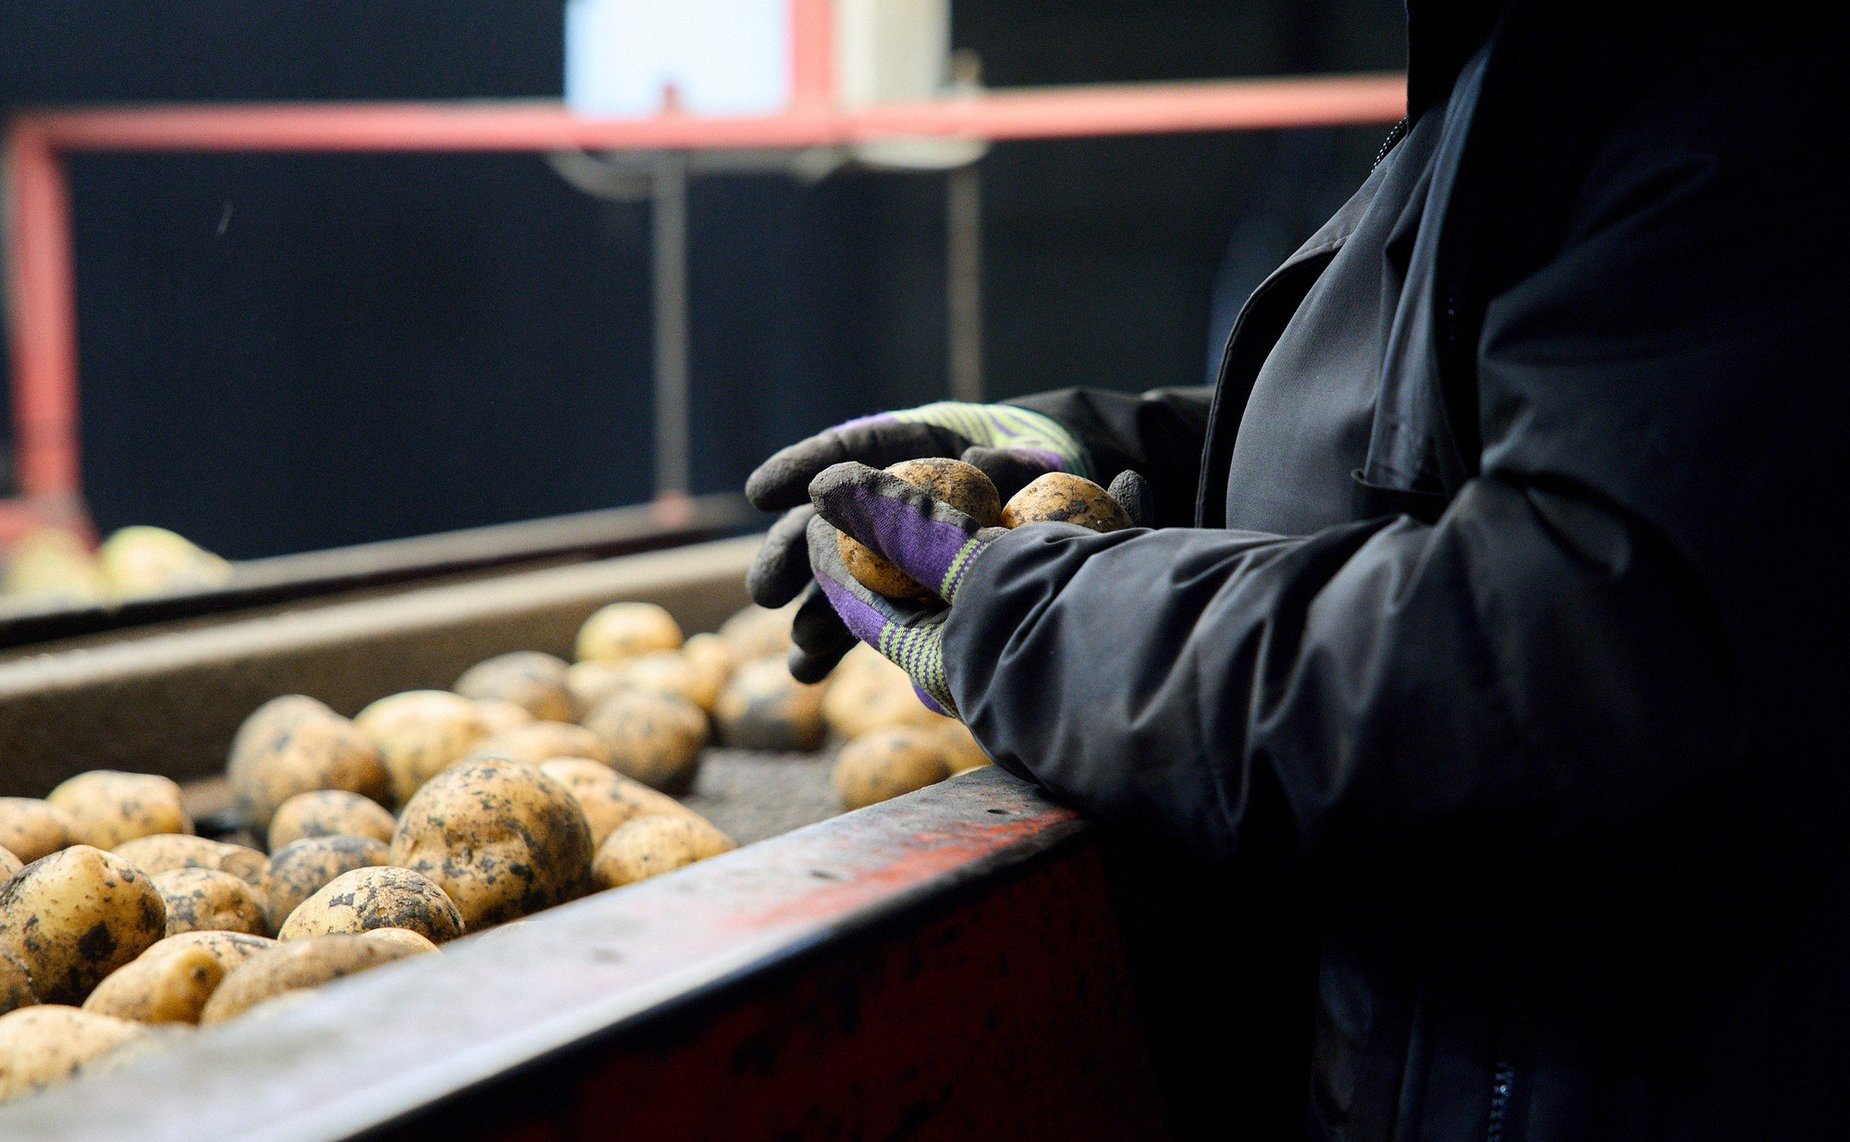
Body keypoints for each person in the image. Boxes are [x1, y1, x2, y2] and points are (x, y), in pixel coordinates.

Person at [746, 1, 1849, 1136]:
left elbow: (1559, 649)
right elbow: (1434, 452)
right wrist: (1089, 451)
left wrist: (1029, 613)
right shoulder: (1525, 60)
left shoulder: (1734, 67)